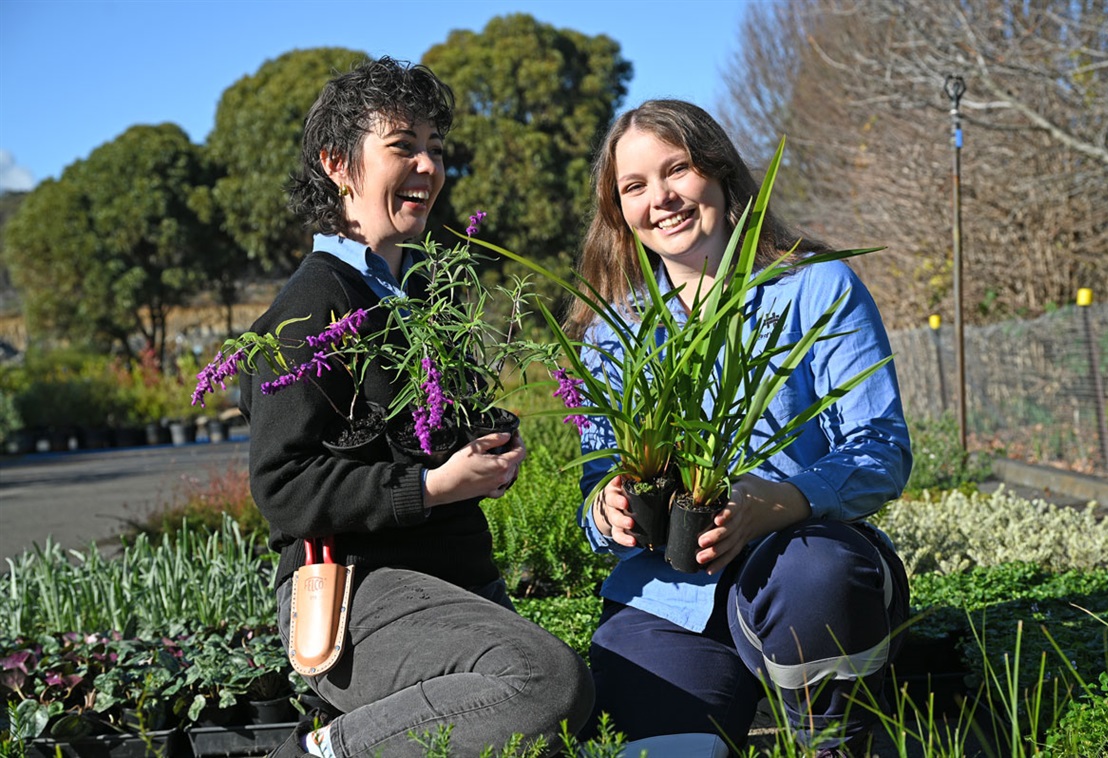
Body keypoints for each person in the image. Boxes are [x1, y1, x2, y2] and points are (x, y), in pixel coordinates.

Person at [239, 57, 593, 758]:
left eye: (436, 148)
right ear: (338, 164)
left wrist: (488, 446)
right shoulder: (315, 305)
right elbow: (284, 487)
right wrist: (430, 487)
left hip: (452, 583)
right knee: (545, 683)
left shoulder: (422, 289)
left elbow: (421, 432)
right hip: (360, 590)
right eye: (404, 146)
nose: (429, 166)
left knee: (541, 728)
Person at [569, 99, 912, 757]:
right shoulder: (613, 335)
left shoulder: (816, 289)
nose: (661, 198)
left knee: (816, 577)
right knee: (656, 745)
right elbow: (594, 482)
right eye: (634, 187)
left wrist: (778, 503)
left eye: (679, 170)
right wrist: (606, 509)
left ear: (722, 177)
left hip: (801, 568)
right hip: (667, 595)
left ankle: (832, 739)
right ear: (619, 213)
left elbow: (882, 450)